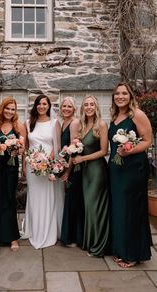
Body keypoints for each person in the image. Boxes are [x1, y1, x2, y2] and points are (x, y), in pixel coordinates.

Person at [108, 82, 152, 268]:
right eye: (117, 93)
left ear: (130, 96)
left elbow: (148, 141)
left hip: (133, 168)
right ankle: (122, 248)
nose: (120, 96)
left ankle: (133, 254)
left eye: (124, 93)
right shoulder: (115, 116)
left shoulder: (138, 114)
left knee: (132, 209)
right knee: (120, 209)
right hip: (116, 169)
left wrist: (129, 150)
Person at [22, 94, 63, 249]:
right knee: (34, 197)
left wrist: (47, 162)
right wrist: (25, 166)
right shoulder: (27, 123)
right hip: (32, 167)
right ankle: (33, 230)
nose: (41, 106)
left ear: (49, 106)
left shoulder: (54, 123)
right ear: (35, 106)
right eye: (39, 104)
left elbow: (56, 146)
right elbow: (25, 147)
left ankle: (48, 232)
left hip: (48, 166)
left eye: (44, 104)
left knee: (47, 197)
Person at [72, 95, 110, 257]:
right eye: (86, 104)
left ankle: (98, 246)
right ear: (82, 108)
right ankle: (90, 241)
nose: (88, 107)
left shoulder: (100, 124)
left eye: (91, 104)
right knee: (88, 207)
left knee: (95, 208)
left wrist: (82, 159)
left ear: (96, 107)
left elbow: (104, 151)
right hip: (85, 172)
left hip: (97, 171)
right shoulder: (82, 125)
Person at [0, 97, 26, 251]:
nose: (10, 111)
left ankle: (12, 237)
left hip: (11, 166)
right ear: (2, 108)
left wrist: (17, 149)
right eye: (7, 108)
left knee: (9, 199)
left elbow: (23, 148)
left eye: (13, 109)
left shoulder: (19, 126)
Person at [60, 97, 84, 248]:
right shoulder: (63, 123)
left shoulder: (74, 122)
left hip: (74, 168)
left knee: (73, 200)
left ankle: (75, 237)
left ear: (74, 109)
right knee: (70, 199)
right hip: (67, 165)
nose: (67, 108)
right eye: (64, 106)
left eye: (70, 106)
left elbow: (73, 150)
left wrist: (68, 171)